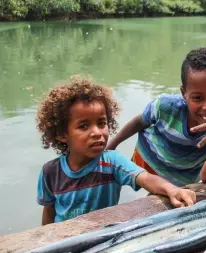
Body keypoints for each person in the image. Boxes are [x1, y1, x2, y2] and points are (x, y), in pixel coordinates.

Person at [36, 76, 196, 225]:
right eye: (83, 126)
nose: (97, 132)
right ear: (62, 134)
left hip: (103, 238)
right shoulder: (50, 172)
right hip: (64, 241)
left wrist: (172, 189)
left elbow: (146, 178)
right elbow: (49, 212)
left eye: (101, 123)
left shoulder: (112, 162)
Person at [106, 47, 206, 187]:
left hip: (185, 175)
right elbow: (140, 121)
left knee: (169, 196)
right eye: (197, 98)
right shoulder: (165, 105)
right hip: (151, 160)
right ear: (184, 93)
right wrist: (112, 145)